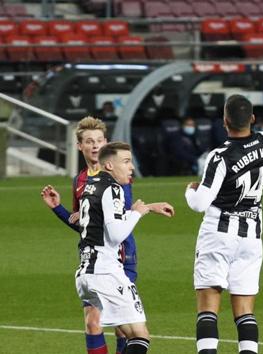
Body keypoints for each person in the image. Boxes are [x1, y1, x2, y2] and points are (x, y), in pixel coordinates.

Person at [185, 94, 263, 354]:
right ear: (253, 119)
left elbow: (199, 203)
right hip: (251, 237)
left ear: (225, 121)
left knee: (208, 308)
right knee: (245, 312)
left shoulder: (220, 155)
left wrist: (190, 190)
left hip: (218, 234)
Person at [40, 116, 139, 354]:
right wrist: (59, 209)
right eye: (89, 141)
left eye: (99, 140)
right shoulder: (79, 181)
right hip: (92, 260)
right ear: (79, 146)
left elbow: (116, 224)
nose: (95, 145)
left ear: (106, 143)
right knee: (92, 323)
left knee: (122, 328)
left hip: (120, 256)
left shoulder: (117, 175)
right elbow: (86, 227)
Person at [75, 141, 174, 354]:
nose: (132, 167)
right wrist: (137, 212)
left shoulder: (91, 185)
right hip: (106, 272)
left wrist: (146, 208)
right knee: (139, 336)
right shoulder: (113, 188)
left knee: (130, 334)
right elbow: (117, 234)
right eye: (126, 162)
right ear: (109, 165)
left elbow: (103, 224)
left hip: (86, 273)